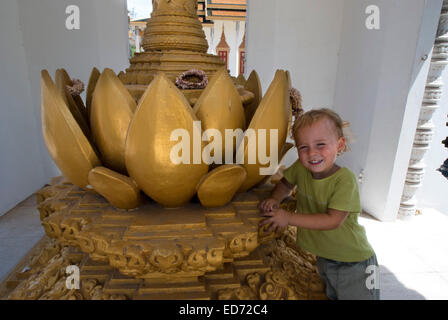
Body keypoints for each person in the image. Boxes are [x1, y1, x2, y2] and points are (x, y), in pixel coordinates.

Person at [258, 108, 380, 300]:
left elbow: (334, 220)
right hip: (326, 257)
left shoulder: (344, 180)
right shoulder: (301, 167)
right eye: (303, 147)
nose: (312, 153)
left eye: (320, 144)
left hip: (355, 263)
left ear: (340, 145)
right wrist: (275, 199)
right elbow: (285, 183)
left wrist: (288, 217)